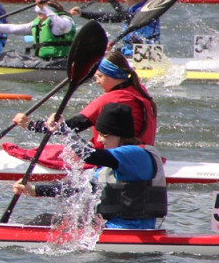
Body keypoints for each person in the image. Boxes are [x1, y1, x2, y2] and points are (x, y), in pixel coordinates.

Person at [13, 103, 166, 229]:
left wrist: (64, 131)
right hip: (111, 227)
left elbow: (90, 155)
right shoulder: (114, 163)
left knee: (47, 222)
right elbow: (80, 189)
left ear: (120, 135)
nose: (100, 140)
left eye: (104, 135)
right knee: (46, 219)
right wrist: (35, 190)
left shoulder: (134, 154)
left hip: (130, 231)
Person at [14, 51, 156, 148]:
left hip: (113, 160)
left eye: (99, 76)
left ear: (114, 76)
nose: (96, 81)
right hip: (145, 155)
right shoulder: (139, 89)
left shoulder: (110, 98)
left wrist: (31, 125)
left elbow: (72, 126)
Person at [72, 0, 159, 58]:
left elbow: (126, 17)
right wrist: (82, 14)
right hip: (130, 52)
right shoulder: (132, 10)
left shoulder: (148, 9)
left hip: (146, 55)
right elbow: (111, 17)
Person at [0, 3, 76, 60]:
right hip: (44, 61)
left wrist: (45, 9)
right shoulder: (38, 23)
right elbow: (13, 29)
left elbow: (63, 27)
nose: (38, 16)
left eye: (40, 13)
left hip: (60, 62)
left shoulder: (64, 21)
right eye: (37, 13)